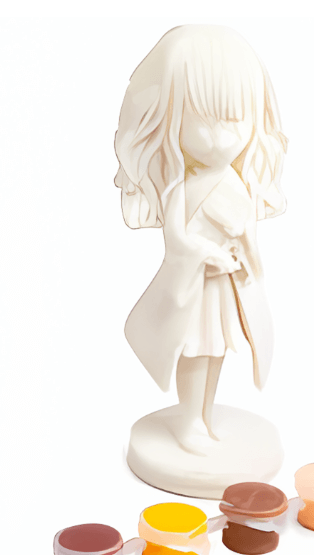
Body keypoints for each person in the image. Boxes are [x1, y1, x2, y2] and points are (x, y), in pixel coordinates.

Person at [114, 25, 287, 455]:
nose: (220, 137)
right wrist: (208, 255)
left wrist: (247, 258)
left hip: (224, 288)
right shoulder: (182, 189)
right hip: (194, 288)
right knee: (194, 349)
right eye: (202, 121)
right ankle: (190, 420)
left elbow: (246, 232)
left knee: (217, 350)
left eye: (233, 120)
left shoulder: (237, 184)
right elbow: (177, 240)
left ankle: (205, 416)